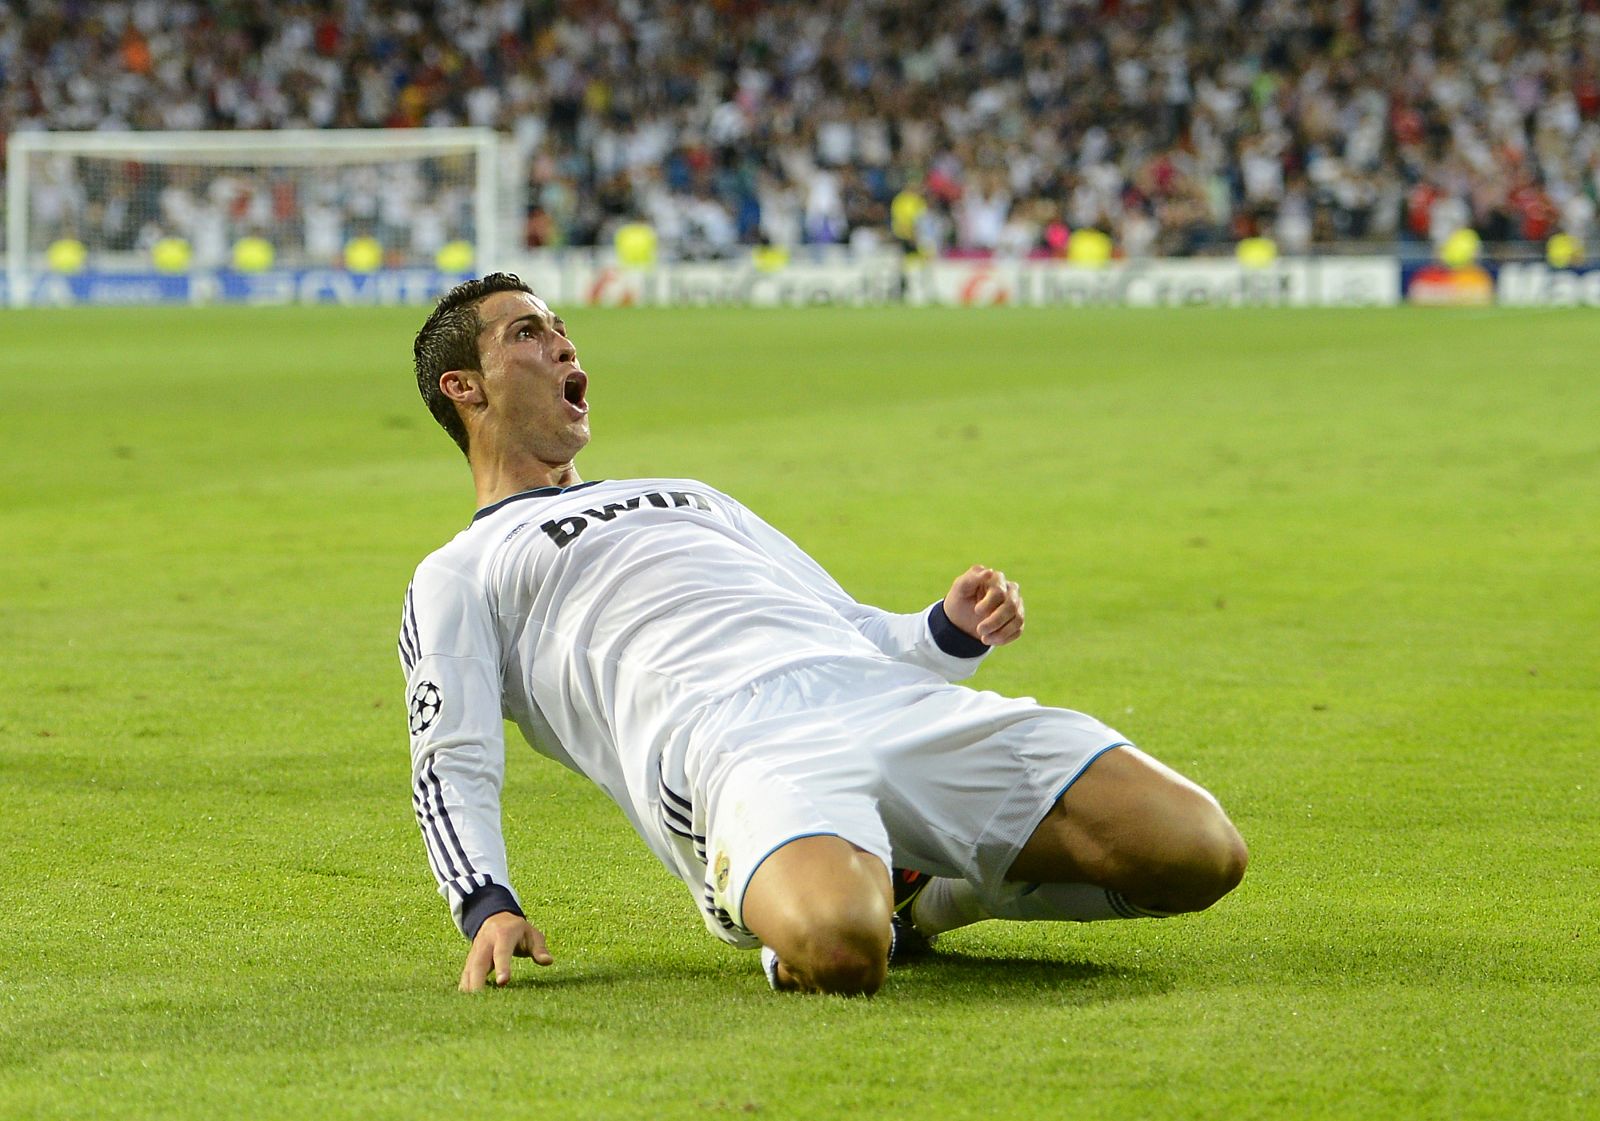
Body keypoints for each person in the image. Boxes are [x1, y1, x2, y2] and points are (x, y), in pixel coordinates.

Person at [401, 273, 1247, 996]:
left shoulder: (691, 494)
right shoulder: (462, 567)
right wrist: (486, 899)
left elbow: (846, 623)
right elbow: (451, 753)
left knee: (1199, 854)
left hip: (885, 697)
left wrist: (946, 629)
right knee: (845, 952)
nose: (562, 344)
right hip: (732, 748)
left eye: (562, 329)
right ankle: (875, 903)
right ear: (464, 387)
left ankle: (935, 892)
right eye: (527, 333)